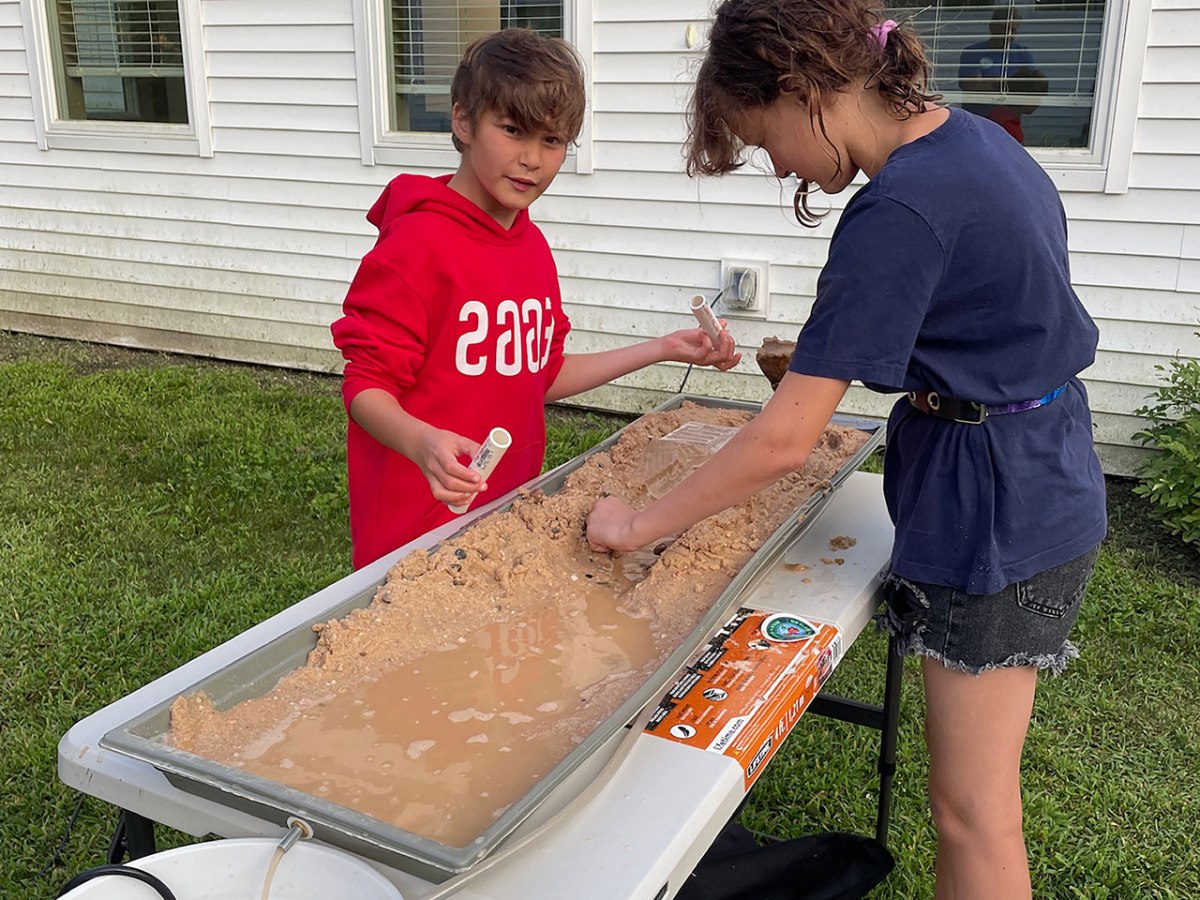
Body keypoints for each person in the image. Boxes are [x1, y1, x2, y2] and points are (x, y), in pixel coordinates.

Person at [585, 3, 1106, 898]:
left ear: (800, 89)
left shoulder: (896, 208)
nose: (780, 165)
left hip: (996, 506)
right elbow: (987, 316)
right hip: (1040, 459)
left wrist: (636, 523)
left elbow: (785, 439)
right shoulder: (973, 141)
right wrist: (832, 361)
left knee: (973, 813)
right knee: (973, 805)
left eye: (765, 139)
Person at [331, 28, 739, 570]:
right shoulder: (416, 246)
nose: (531, 159)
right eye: (512, 130)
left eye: (551, 141)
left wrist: (663, 347)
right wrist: (421, 441)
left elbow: (539, 376)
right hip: (415, 534)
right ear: (462, 122)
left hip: (503, 516)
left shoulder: (532, 247)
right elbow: (365, 387)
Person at [958, 6, 1035, 116]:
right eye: (1004, 28)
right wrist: (1010, 85)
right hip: (978, 117)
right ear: (992, 27)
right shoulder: (973, 52)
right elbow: (972, 87)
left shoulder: (1023, 54)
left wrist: (990, 82)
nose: (1008, 34)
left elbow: (1029, 88)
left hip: (1008, 120)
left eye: (1013, 30)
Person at [983, 66, 1049, 145]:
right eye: (1037, 98)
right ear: (1026, 98)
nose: (1038, 103)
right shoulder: (1005, 125)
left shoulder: (1002, 117)